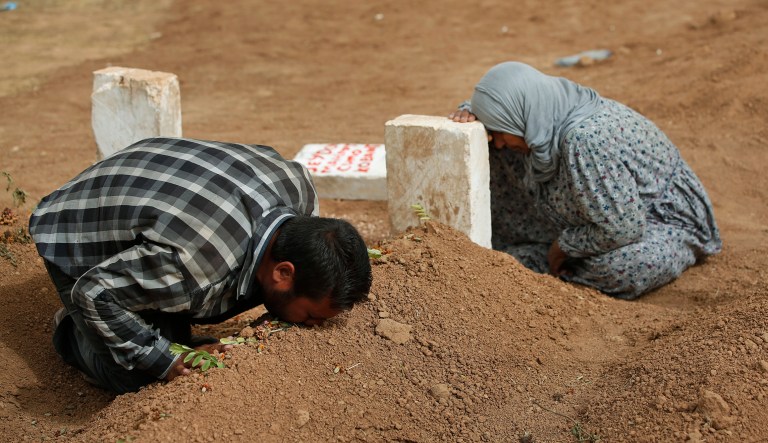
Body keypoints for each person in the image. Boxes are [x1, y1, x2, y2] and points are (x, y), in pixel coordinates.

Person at [29, 137, 373, 393]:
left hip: (151, 182)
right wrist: (164, 360)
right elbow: (94, 291)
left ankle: (148, 302)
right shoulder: (195, 267)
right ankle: (73, 332)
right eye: (311, 316)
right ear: (284, 272)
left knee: (229, 297)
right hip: (72, 230)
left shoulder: (300, 188)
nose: (312, 326)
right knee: (138, 374)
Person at [449, 62, 721, 299]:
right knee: (497, 155)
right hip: (600, 209)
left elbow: (624, 228)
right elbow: (503, 115)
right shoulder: (544, 112)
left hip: (656, 221)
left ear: (519, 113)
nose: (498, 142)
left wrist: (562, 247)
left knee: (624, 268)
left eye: (499, 130)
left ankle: (550, 262)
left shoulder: (584, 140)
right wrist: (474, 118)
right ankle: (536, 252)